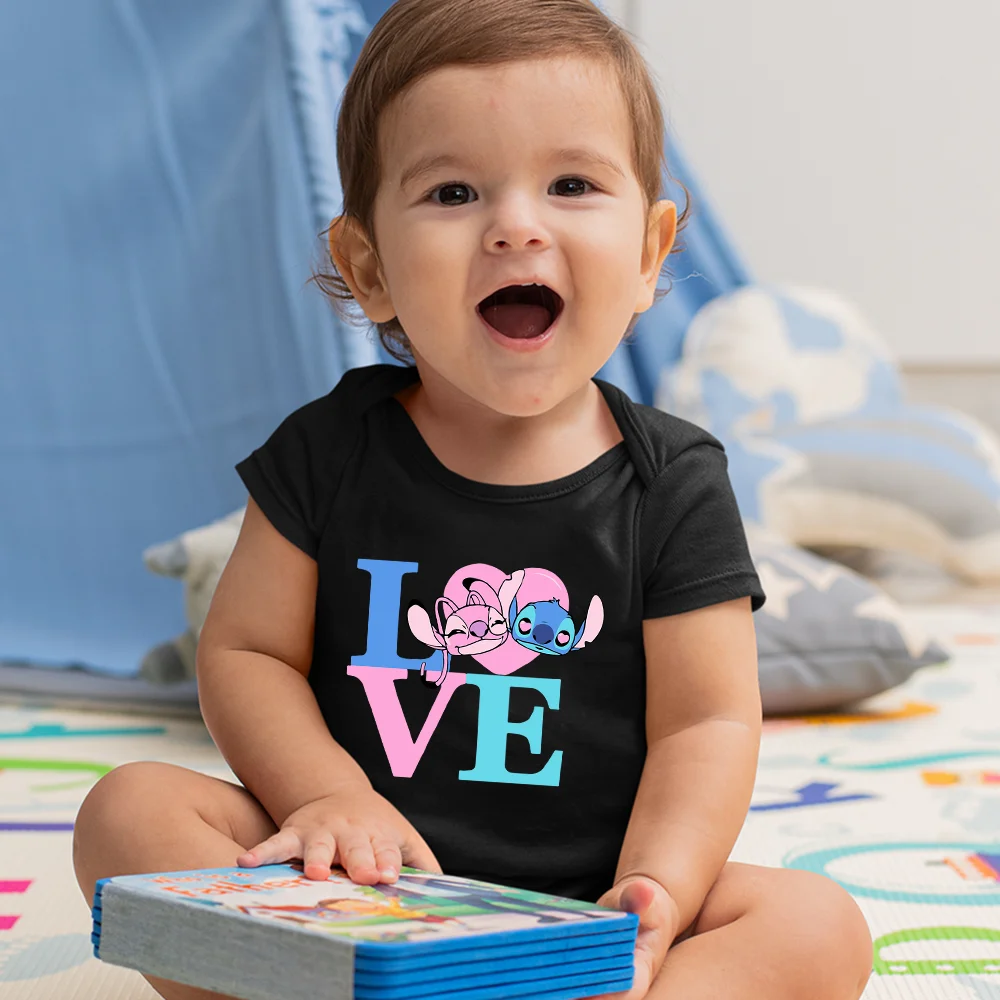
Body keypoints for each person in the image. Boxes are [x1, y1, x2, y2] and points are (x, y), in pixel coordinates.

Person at [73, 1, 873, 997]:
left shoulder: (671, 482)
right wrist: (326, 798)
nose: (516, 226)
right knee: (131, 809)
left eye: (571, 184)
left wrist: (656, 888)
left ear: (648, 253)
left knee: (817, 925)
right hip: (354, 888)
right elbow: (247, 653)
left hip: (586, 902)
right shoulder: (327, 452)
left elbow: (705, 724)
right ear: (369, 268)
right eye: (453, 192)